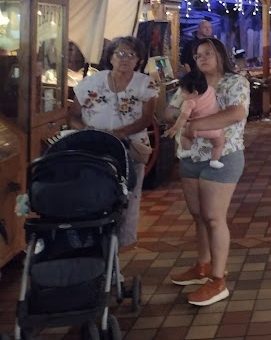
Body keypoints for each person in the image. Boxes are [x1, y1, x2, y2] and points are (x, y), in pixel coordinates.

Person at [165, 37, 250, 307]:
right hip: (190, 157)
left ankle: (217, 279)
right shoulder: (191, 82)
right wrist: (184, 119)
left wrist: (192, 124)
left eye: (208, 53)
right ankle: (202, 266)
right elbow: (169, 111)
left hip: (222, 156)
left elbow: (235, 113)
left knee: (214, 217)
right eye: (198, 54)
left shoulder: (235, 82)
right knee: (198, 216)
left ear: (221, 55)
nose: (202, 58)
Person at [68, 36, 158, 250]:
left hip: (130, 147)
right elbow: (73, 115)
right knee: (94, 191)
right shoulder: (92, 82)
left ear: (139, 60)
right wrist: (88, 132)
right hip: (94, 147)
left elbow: (147, 118)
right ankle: (93, 238)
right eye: (120, 53)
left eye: (131, 55)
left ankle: (123, 244)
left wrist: (120, 133)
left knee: (130, 195)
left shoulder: (145, 84)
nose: (125, 59)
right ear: (110, 56)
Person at [166, 70, 225, 169]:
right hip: (214, 129)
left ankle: (188, 152)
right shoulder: (210, 90)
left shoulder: (189, 102)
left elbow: (183, 117)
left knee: (184, 136)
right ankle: (215, 160)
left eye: (183, 91)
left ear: (194, 93)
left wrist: (174, 129)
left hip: (197, 129)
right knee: (219, 143)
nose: (182, 94)